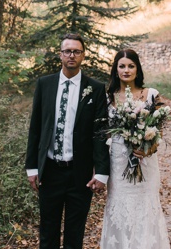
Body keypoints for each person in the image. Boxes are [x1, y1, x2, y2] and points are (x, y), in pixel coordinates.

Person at [26, 33, 110, 249]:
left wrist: (101, 171)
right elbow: (35, 128)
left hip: (79, 173)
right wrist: (32, 167)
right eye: (67, 51)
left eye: (76, 51)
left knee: (75, 234)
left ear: (83, 55)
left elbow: (101, 132)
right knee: (48, 232)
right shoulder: (45, 84)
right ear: (60, 54)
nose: (71, 55)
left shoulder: (96, 88)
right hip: (50, 171)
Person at [99, 49, 171, 249]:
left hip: (145, 162)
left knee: (145, 208)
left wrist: (149, 149)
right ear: (115, 70)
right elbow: (103, 134)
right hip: (118, 163)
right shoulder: (108, 99)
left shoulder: (151, 95)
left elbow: (160, 131)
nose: (126, 70)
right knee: (120, 207)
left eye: (131, 66)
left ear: (137, 69)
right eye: (122, 66)